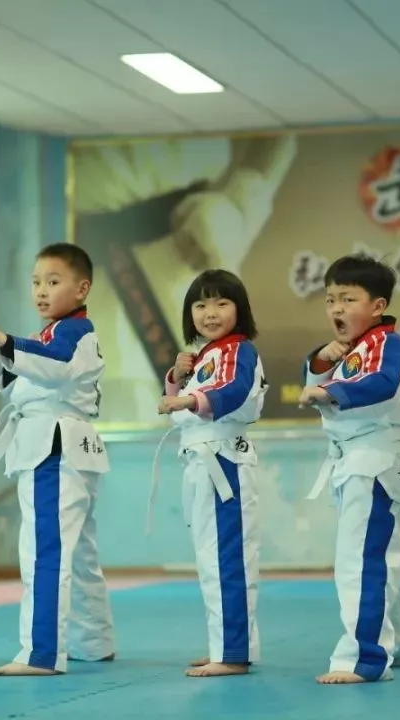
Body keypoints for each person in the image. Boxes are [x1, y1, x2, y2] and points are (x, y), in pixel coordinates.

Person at [0, 243, 116, 676]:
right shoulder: (53, 334)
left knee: (45, 550)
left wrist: (4, 340)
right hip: (65, 445)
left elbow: (51, 370)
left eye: (53, 282)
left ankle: (40, 653)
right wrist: (15, 349)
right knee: (80, 553)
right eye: (36, 282)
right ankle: (92, 641)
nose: (41, 290)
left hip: (55, 446)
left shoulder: (73, 332)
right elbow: (20, 380)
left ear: (82, 288)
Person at [298, 254, 400, 685]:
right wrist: (320, 360)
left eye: (348, 298)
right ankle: (399, 644)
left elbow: (382, 385)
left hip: (375, 459)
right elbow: (314, 375)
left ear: (377, 306)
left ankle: (363, 658)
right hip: (361, 459)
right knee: (383, 555)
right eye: (330, 298)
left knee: (358, 560)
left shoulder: (389, 346)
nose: (336, 308)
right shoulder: (352, 350)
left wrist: (327, 390)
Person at [154, 269, 266, 678]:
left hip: (224, 463)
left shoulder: (239, 351)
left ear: (240, 309)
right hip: (202, 460)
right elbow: (182, 409)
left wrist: (187, 398)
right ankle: (226, 644)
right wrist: (176, 380)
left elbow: (233, 391)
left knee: (226, 558)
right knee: (211, 558)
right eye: (200, 304)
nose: (210, 313)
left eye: (221, 303)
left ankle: (233, 652)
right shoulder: (205, 357)